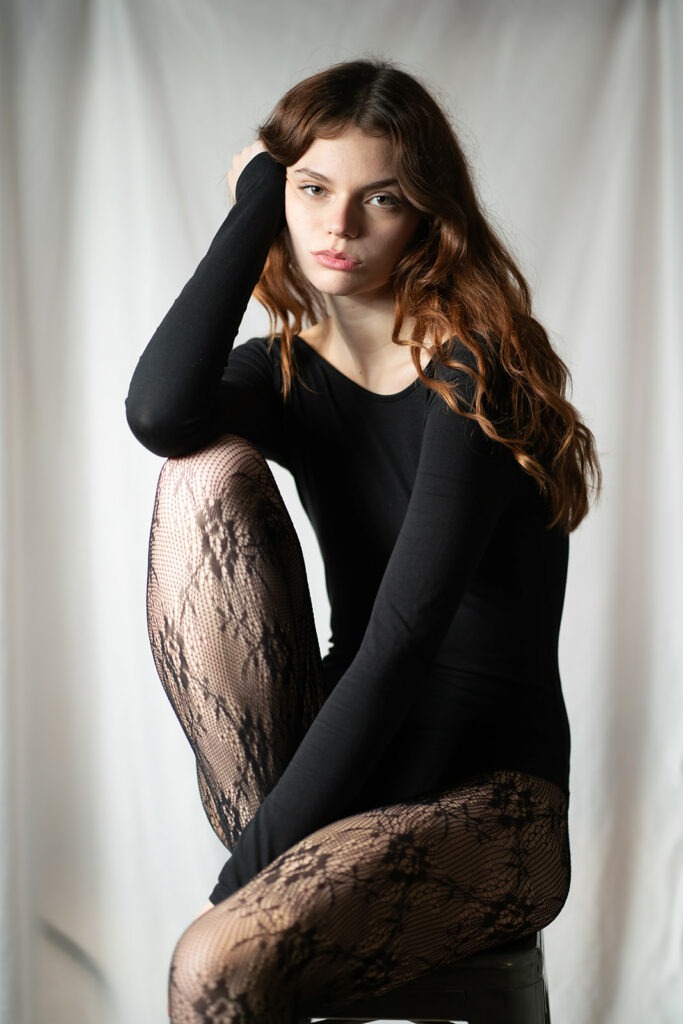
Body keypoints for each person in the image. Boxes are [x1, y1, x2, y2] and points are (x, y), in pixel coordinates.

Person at [126, 58, 600, 1024]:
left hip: (490, 803)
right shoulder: (286, 371)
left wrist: (239, 885)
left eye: (378, 199)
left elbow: (403, 640)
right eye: (312, 190)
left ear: (426, 215)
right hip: (352, 759)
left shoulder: (472, 365)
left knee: (215, 964)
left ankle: (249, 906)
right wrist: (252, 206)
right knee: (198, 474)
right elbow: (161, 414)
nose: (337, 226)